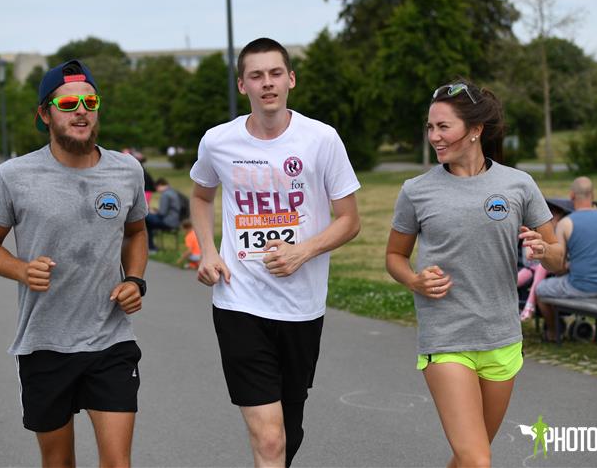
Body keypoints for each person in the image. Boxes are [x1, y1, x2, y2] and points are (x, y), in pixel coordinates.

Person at [190, 37, 360, 467]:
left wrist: (303, 251)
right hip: (239, 302)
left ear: (291, 79)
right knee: (268, 438)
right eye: (256, 76)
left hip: (301, 307)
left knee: (289, 432)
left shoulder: (321, 139)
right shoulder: (218, 141)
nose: (267, 83)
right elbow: (201, 196)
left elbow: (349, 220)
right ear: (242, 85)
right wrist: (208, 251)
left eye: (275, 73)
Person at [0, 59, 148, 467]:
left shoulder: (126, 170)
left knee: (118, 463)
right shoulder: (14, 175)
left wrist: (135, 280)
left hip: (110, 340)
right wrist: (21, 269)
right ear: (45, 114)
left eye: (90, 102)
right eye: (68, 104)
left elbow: (136, 232)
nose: (81, 111)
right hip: (44, 343)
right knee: (59, 462)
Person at [385, 80, 564, 468]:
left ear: (475, 130)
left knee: (469, 458)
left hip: (501, 337)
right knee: (478, 459)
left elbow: (557, 259)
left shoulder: (519, 185)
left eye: (443, 126)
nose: (434, 136)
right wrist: (413, 280)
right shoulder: (416, 190)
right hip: (446, 337)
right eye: (430, 127)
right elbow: (395, 256)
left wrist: (544, 250)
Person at [535, 177, 597, 342]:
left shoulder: (566, 223)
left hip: (580, 287)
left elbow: (558, 264)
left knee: (540, 289)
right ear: (592, 195)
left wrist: (568, 267)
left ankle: (553, 332)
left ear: (572, 195)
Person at [518, 204, 569, 321]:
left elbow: (560, 257)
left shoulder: (560, 233)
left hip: (549, 269)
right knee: (516, 280)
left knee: (541, 268)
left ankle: (529, 305)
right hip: (531, 268)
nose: (552, 220)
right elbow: (528, 258)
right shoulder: (534, 232)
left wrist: (546, 252)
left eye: (556, 217)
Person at [144, 177, 183, 253]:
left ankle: (151, 247)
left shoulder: (165, 194)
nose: (157, 191)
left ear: (160, 185)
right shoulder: (172, 192)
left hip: (168, 222)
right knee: (149, 223)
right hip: (175, 221)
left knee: (146, 218)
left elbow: (162, 213)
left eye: (157, 188)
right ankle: (151, 246)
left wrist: (153, 212)